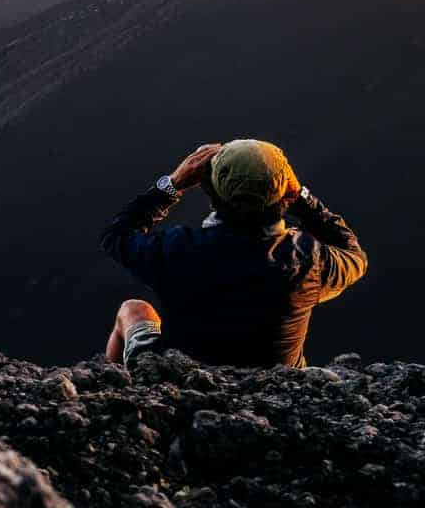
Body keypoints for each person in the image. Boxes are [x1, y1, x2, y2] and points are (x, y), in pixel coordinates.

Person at [101, 140, 367, 369]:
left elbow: (117, 236)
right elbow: (353, 253)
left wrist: (173, 184)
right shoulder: (309, 260)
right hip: (277, 388)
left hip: (181, 382)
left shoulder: (178, 250)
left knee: (133, 309)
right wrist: (302, 197)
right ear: (285, 191)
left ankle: (112, 393)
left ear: (211, 192)